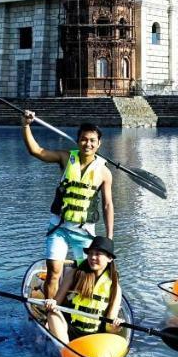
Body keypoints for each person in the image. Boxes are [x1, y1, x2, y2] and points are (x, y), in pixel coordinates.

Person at [22, 113, 114, 302]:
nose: (87, 144)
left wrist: (109, 237)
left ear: (99, 144)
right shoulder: (65, 158)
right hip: (59, 228)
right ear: (78, 140)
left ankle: (79, 309)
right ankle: (50, 312)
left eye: (92, 141)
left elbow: (107, 204)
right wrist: (25, 126)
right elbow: (36, 151)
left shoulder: (104, 172)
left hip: (85, 231)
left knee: (88, 273)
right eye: (84, 140)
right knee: (54, 271)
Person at [39, 236, 124, 357]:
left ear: (110, 258)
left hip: (95, 335)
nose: (93, 257)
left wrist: (116, 327)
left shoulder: (115, 287)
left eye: (98, 254)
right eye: (90, 253)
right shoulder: (75, 273)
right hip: (71, 330)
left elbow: (109, 324)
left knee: (116, 336)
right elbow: (57, 302)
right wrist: (52, 304)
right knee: (52, 314)